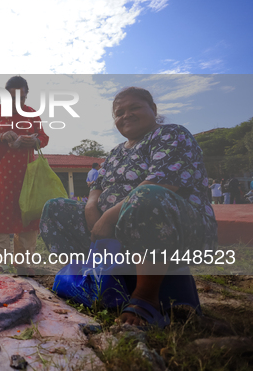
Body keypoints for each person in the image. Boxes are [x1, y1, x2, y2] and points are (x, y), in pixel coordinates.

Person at [40, 87, 217, 327]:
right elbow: (97, 184)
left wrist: (109, 217)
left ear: (153, 110)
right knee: (55, 208)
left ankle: (145, 297)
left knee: (147, 195)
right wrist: (92, 206)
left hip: (174, 228)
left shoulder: (171, 134)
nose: (126, 115)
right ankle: (92, 280)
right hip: (110, 228)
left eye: (134, 108)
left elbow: (163, 180)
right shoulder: (115, 152)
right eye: (119, 112)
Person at [0, 76, 49, 275]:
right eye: (13, 98)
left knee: (27, 218)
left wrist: (34, 141)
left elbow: (44, 138)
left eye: (22, 98)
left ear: (26, 95)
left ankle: (23, 264)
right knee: (0, 218)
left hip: (27, 176)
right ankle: (2, 264)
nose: (18, 103)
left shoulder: (32, 113)